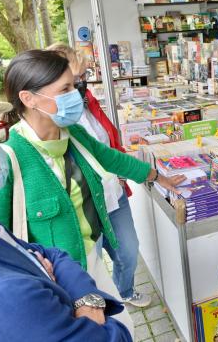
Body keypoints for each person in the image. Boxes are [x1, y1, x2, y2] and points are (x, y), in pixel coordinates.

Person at [0, 56, 131, 341]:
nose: (0, 141)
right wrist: (94, 315)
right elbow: (114, 337)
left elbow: (49, 254)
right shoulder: (2, 297)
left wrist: (84, 295)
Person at [0, 50, 184, 315]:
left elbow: (113, 159)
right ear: (28, 98)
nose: (76, 94)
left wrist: (159, 178)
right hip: (58, 283)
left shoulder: (74, 135)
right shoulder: (9, 159)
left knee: (122, 324)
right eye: (65, 88)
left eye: (75, 85)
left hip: (92, 260)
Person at [47, 43, 149, 307]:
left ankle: (124, 292)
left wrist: (145, 173)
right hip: (85, 204)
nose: (81, 85)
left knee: (128, 251)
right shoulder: (50, 122)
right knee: (92, 263)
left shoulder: (86, 101)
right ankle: (106, 302)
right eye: (73, 80)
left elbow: (107, 148)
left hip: (113, 193)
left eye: (83, 78)